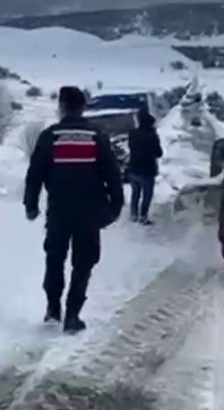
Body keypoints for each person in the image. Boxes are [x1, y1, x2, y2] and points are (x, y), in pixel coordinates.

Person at [23, 86, 124, 334]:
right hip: (89, 212)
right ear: (82, 107)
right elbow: (112, 173)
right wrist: (115, 205)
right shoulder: (96, 135)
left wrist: (31, 204)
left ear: (61, 107)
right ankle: (72, 316)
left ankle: (52, 309)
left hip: (58, 210)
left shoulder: (50, 136)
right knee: (84, 263)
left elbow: (35, 173)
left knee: (54, 259)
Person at [127, 109, 163, 224]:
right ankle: (143, 216)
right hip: (147, 170)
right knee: (147, 194)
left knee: (135, 193)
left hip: (133, 168)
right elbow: (158, 153)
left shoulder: (132, 134)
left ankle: (133, 214)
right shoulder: (151, 135)